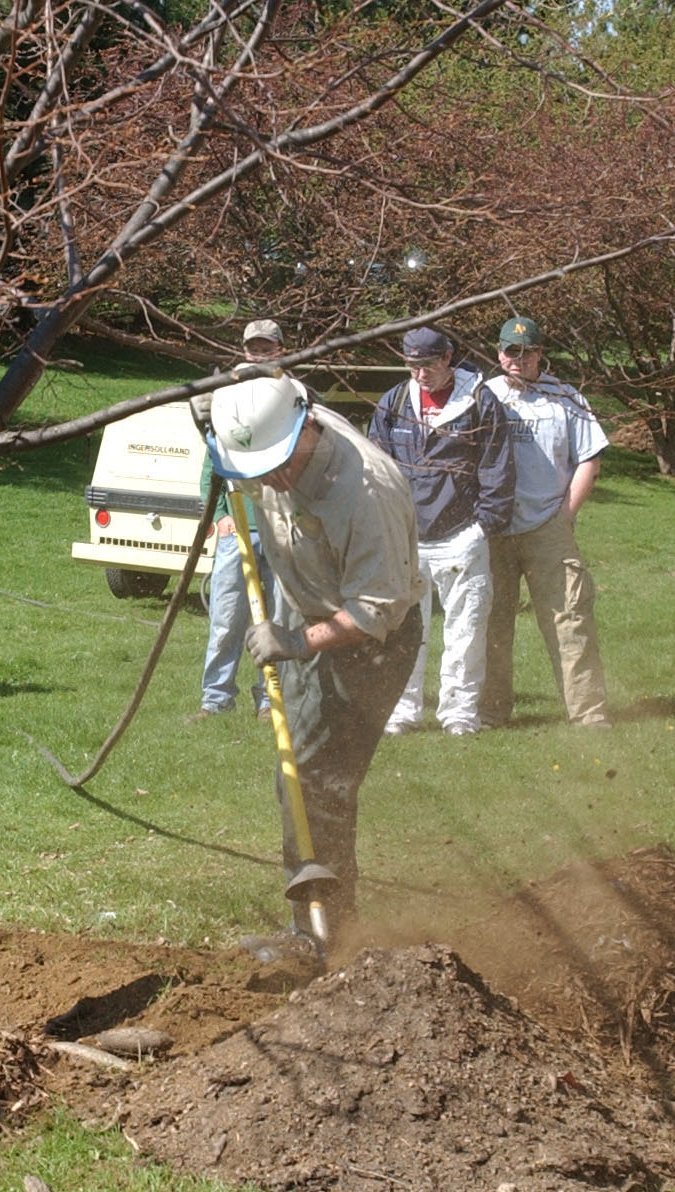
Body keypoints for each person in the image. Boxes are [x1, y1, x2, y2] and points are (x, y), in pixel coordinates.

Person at [204, 374, 424, 958]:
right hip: (309, 624)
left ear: (308, 429)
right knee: (297, 775)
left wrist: (298, 642)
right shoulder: (277, 428)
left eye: (277, 464)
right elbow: (252, 395)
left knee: (320, 782)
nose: (268, 479)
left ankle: (332, 940)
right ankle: (313, 930)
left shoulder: (365, 491)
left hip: (369, 646)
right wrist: (217, 417)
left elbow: (375, 611)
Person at [369, 326, 514, 737]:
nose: (421, 375)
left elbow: (497, 466)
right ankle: (401, 710)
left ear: (448, 358)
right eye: (412, 366)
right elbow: (376, 464)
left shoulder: (479, 401)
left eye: (428, 365)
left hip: (462, 535)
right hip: (407, 537)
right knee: (402, 630)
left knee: (466, 630)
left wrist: (484, 526)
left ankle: (459, 713)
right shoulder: (395, 402)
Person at [481, 316, 611, 728]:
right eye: (510, 352)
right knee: (490, 623)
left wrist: (564, 516)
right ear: (499, 353)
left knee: (570, 618)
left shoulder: (566, 398)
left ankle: (588, 713)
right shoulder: (483, 396)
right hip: (493, 529)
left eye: (527, 352)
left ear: (540, 353)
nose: (518, 360)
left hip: (547, 527)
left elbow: (590, 460)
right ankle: (490, 713)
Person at [192, 320, 295, 722]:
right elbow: (212, 462)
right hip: (238, 526)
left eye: (267, 348)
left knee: (279, 619)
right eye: (253, 348)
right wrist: (219, 515)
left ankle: (270, 699)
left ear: (281, 350)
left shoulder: (294, 397)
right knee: (227, 616)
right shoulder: (228, 398)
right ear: (244, 350)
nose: (258, 356)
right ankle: (216, 699)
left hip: (283, 527)